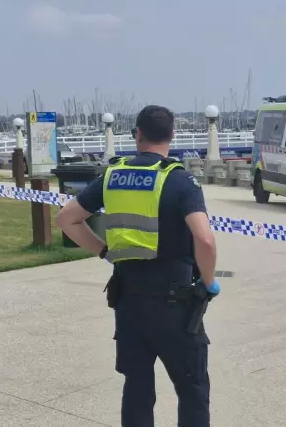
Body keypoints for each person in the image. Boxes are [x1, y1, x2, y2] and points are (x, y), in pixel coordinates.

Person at [56, 105, 219, 427]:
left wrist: (104, 251)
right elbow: (205, 239)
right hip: (176, 304)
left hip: (129, 301)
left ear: (137, 134)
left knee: (137, 388)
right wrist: (210, 282)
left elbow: (67, 219)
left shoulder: (112, 176)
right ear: (172, 135)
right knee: (192, 388)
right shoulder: (179, 180)